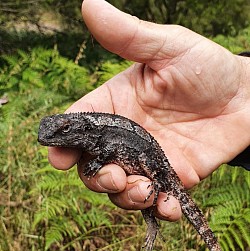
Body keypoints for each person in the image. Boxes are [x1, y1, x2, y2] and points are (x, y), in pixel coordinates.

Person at [48, 0, 250, 222]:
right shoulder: (89, 131)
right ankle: (151, 219)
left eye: (62, 131)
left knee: (154, 189)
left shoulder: (93, 132)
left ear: (74, 128)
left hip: (150, 157)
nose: (51, 138)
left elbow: (106, 148)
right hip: (147, 156)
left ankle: (152, 217)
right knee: (144, 191)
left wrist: (242, 88)